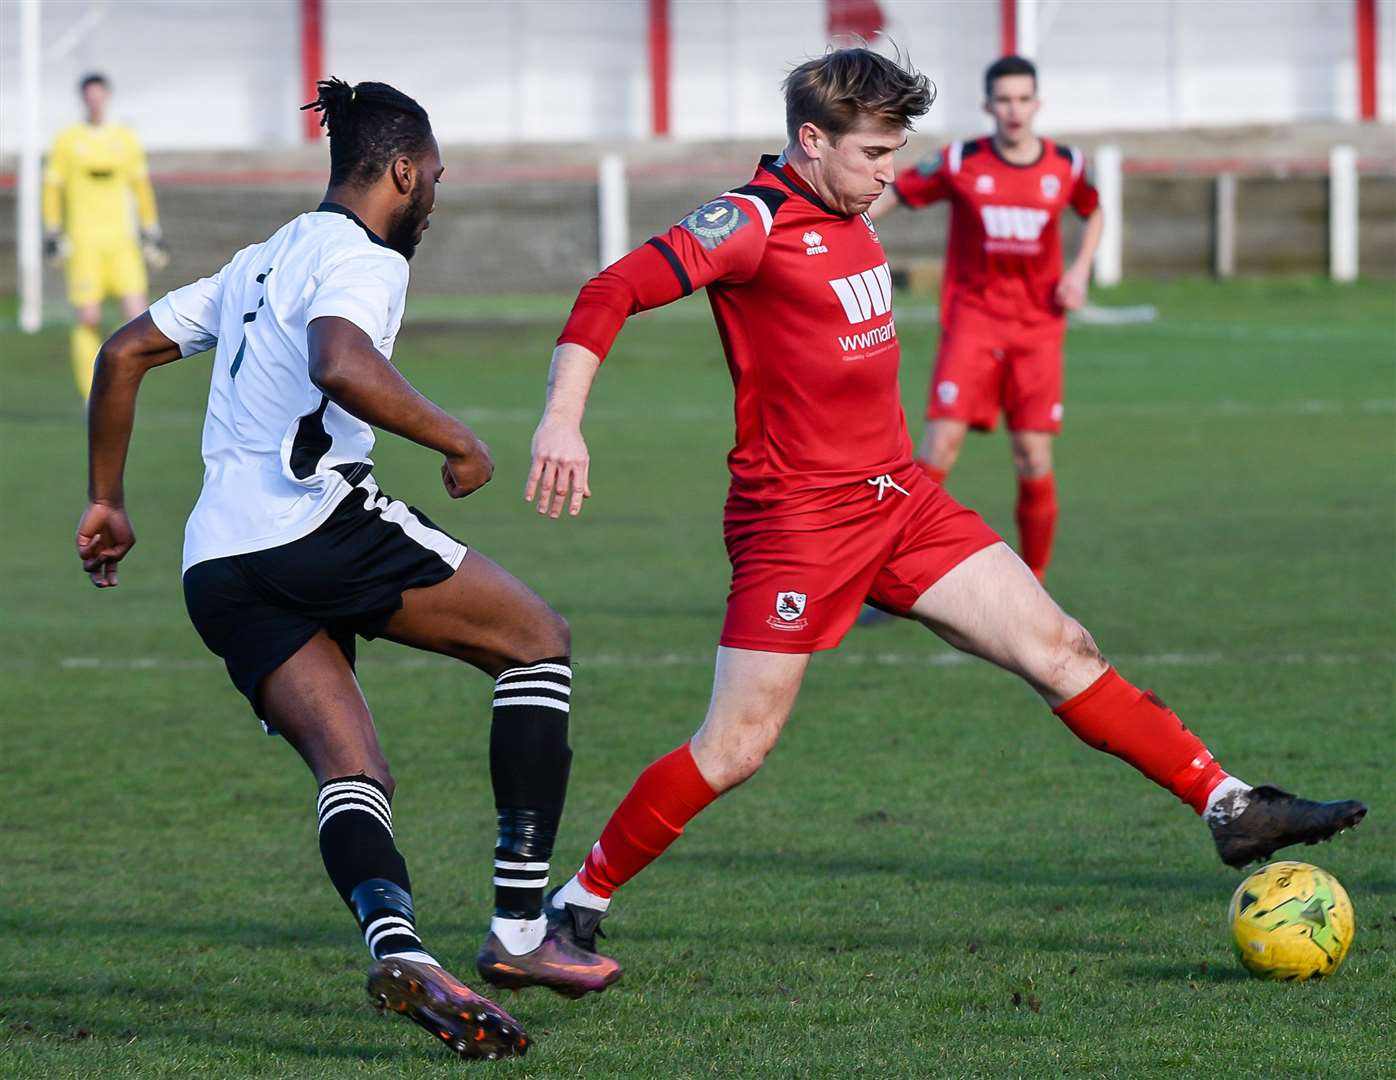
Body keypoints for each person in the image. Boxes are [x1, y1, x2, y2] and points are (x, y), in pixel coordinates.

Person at [518, 47, 1366, 985]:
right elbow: (611, 290)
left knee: (1064, 648)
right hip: (797, 522)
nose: (889, 173)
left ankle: (1229, 805)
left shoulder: (852, 209)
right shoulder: (749, 222)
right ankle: (571, 907)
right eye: (874, 152)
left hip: (901, 499)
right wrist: (562, 421)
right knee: (735, 747)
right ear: (811, 139)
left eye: (895, 152)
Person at [74, 77, 617, 1061]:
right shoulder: (361, 258)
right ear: (402, 170)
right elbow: (340, 362)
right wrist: (459, 440)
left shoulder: (261, 258)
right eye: (435, 179)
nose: (435, 199)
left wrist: (107, 501)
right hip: (311, 522)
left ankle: (399, 945)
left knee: (353, 770)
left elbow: (122, 354)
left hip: (218, 564)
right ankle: (521, 931)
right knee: (538, 643)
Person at [867, 54, 1102, 583]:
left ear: (1036, 104)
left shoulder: (1066, 166)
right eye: (1004, 100)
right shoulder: (959, 161)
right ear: (987, 105)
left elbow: (1094, 210)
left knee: (1032, 457)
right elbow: (896, 194)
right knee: (939, 447)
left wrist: (1081, 270)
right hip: (973, 322)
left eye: (1023, 99)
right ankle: (891, 574)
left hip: (1037, 327)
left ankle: (1035, 581)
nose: (1013, 110)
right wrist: (842, 225)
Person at [44, 73, 168, 400]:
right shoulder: (67, 141)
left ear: (107, 98)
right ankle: (91, 392)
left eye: (100, 97)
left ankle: (123, 382)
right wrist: (53, 230)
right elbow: (52, 188)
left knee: (137, 315)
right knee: (88, 317)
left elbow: (140, 187)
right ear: (83, 100)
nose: (95, 103)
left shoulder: (125, 139)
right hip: (84, 242)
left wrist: (150, 229)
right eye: (90, 98)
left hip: (121, 243)